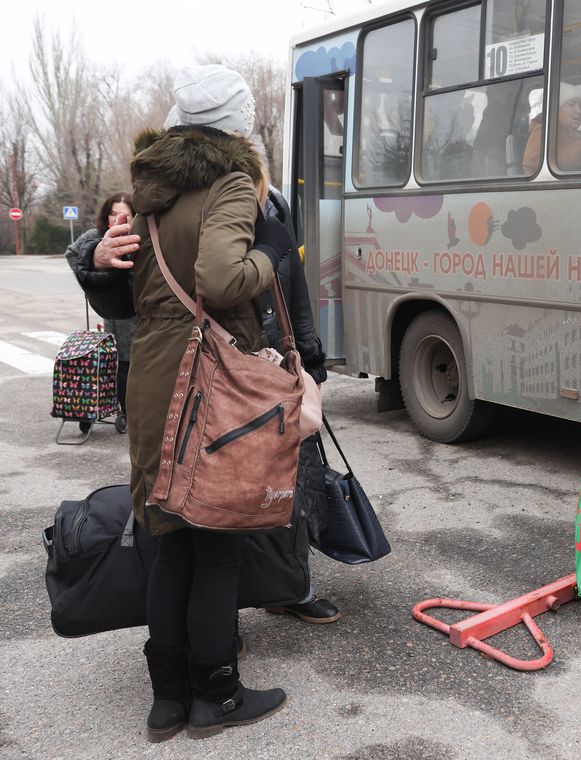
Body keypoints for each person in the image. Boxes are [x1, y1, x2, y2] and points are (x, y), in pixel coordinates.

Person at [82, 64, 295, 742]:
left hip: (151, 374)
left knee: (170, 541)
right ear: (235, 124)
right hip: (210, 378)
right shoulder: (229, 182)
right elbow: (220, 279)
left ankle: (167, 700)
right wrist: (272, 252)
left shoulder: (148, 190)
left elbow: (119, 279)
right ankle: (218, 695)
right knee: (217, 544)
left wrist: (92, 261)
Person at [258, 183, 342, 625]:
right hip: (230, 378)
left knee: (293, 489)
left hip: (283, 372)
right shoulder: (202, 212)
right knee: (235, 493)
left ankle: (291, 588)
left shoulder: (275, 211)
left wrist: (312, 363)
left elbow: (298, 301)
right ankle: (225, 611)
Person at [64, 192, 139, 434]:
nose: (118, 219)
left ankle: (131, 409)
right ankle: (124, 411)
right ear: (107, 217)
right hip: (115, 314)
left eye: (124, 214)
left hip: (140, 310)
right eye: (113, 214)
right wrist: (91, 279)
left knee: (135, 362)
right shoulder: (98, 236)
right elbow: (72, 253)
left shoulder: (141, 236)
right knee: (122, 361)